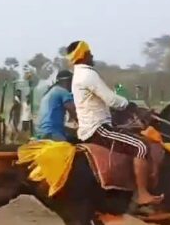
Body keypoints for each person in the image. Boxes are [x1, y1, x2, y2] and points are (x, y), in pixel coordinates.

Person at [66, 40, 162, 209]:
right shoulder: (88, 75)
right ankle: (142, 194)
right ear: (85, 55)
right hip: (98, 129)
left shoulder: (80, 75)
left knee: (133, 135)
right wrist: (132, 106)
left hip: (96, 126)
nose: (92, 55)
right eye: (90, 53)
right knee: (141, 146)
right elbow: (111, 99)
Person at [36, 70, 78, 142]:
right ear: (68, 81)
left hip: (41, 133)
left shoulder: (48, 93)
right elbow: (74, 112)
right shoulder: (63, 92)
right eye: (72, 82)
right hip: (52, 134)